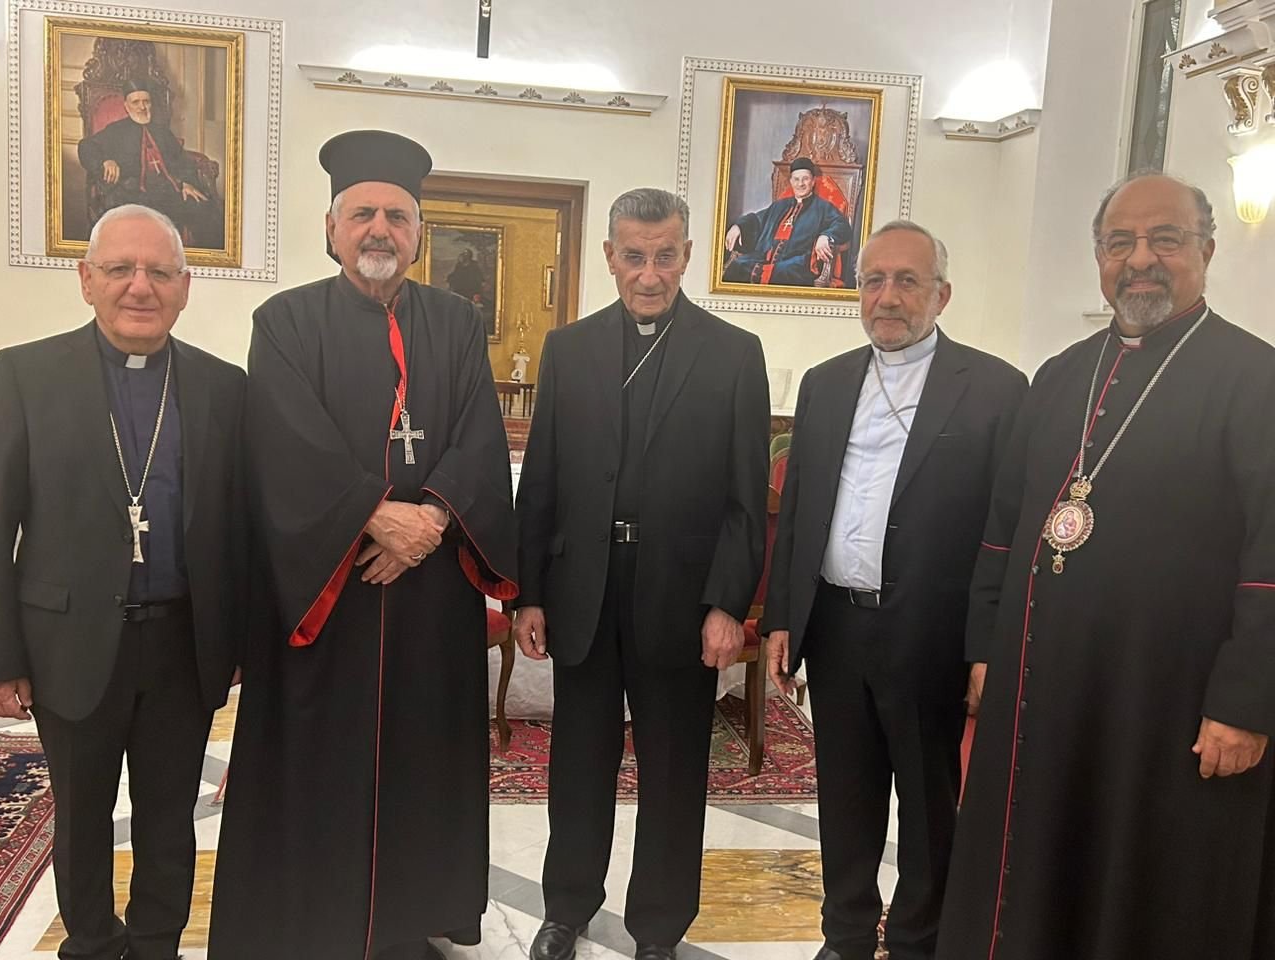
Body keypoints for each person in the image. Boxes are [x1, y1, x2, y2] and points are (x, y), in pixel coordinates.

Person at [937, 174, 1275, 960]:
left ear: (1207, 252)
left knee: (1153, 884)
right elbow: (1006, 526)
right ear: (1099, 258)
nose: (1140, 260)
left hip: (1172, 705)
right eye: (1120, 243)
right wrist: (985, 645)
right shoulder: (1061, 375)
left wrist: (1246, 702)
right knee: (1040, 869)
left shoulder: (1256, 379)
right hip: (1045, 692)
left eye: (1165, 240)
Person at [208, 130, 517, 960]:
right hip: (330, 588)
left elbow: (478, 436)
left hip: (429, 594)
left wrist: (433, 522)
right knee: (320, 759)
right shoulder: (285, 322)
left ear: (418, 234)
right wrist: (376, 517)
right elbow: (282, 441)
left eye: (397, 216)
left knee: (423, 756)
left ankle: (411, 916)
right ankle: (314, 920)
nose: (380, 229)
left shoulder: (457, 323)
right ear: (331, 229)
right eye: (363, 214)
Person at [515, 187, 770, 960]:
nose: (649, 273)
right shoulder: (568, 349)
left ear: (687, 256)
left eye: (665, 256)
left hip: (681, 598)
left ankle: (658, 928)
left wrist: (726, 604)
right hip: (584, 591)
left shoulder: (733, 355)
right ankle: (567, 907)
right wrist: (529, 593)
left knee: (674, 772)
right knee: (578, 765)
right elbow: (542, 483)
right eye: (634, 256)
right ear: (610, 256)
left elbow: (745, 500)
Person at [762, 221, 1027, 960]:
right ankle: (846, 935)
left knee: (928, 803)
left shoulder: (996, 391)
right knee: (845, 796)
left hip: (930, 634)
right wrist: (784, 616)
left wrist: (986, 645)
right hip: (837, 626)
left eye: (908, 281)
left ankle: (916, 941)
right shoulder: (825, 383)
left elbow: (1006, 532)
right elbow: (799, 512)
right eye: (874, 280)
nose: (888, 297)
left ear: (942, 294)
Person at [0, 203, 246, 960]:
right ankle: (92, 946)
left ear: (185, 286)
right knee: (81, 817)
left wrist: (236, 641)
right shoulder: (22, 375)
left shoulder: (223, 387)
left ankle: (157, 945)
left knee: (171, 818)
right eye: (120, 269)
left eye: (160, 271)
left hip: (182, 641)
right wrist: (3, 659)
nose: (141, 286)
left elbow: (239, 526)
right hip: (66, 641)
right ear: (86, 280)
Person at [77, 79, 224, 248]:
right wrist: (105, 161)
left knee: (206, 209)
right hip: (133, 194)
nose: (142, 107)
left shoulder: (162, 131)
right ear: (126, 106)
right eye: (136, 102)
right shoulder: (116, 130)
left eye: (146, 101)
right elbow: (86, 146)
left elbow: (181, 159)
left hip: (170, 191)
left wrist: (186, 182)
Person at [723, 156, 850, 286]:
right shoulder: (779, 205)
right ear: (791, 181)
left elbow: (842, 225)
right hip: (765, 256)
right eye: (796, 179)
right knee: (737, 266)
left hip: (797, 263)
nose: (800, 184)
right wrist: (739, 226)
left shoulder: (823, 207)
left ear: (813, 181)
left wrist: (826, 236)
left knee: (780, 274)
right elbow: (757, 219)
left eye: (805, 179)